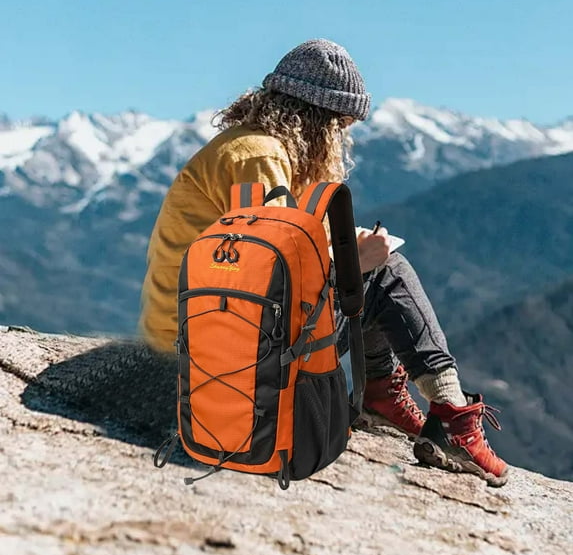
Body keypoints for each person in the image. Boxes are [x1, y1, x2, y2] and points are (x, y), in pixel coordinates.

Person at [140, 39, 508, 487]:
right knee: (387, 274)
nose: (342, 139)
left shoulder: (256, 148)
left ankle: (383, 395)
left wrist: (351, 253)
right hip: (214, 351)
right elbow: (270, 277)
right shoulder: (260, 157)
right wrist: (355, 263)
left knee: (371, 269)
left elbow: (279, 249)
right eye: (341, 126)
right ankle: (450, 414)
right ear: (318, 119)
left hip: (205, 333)